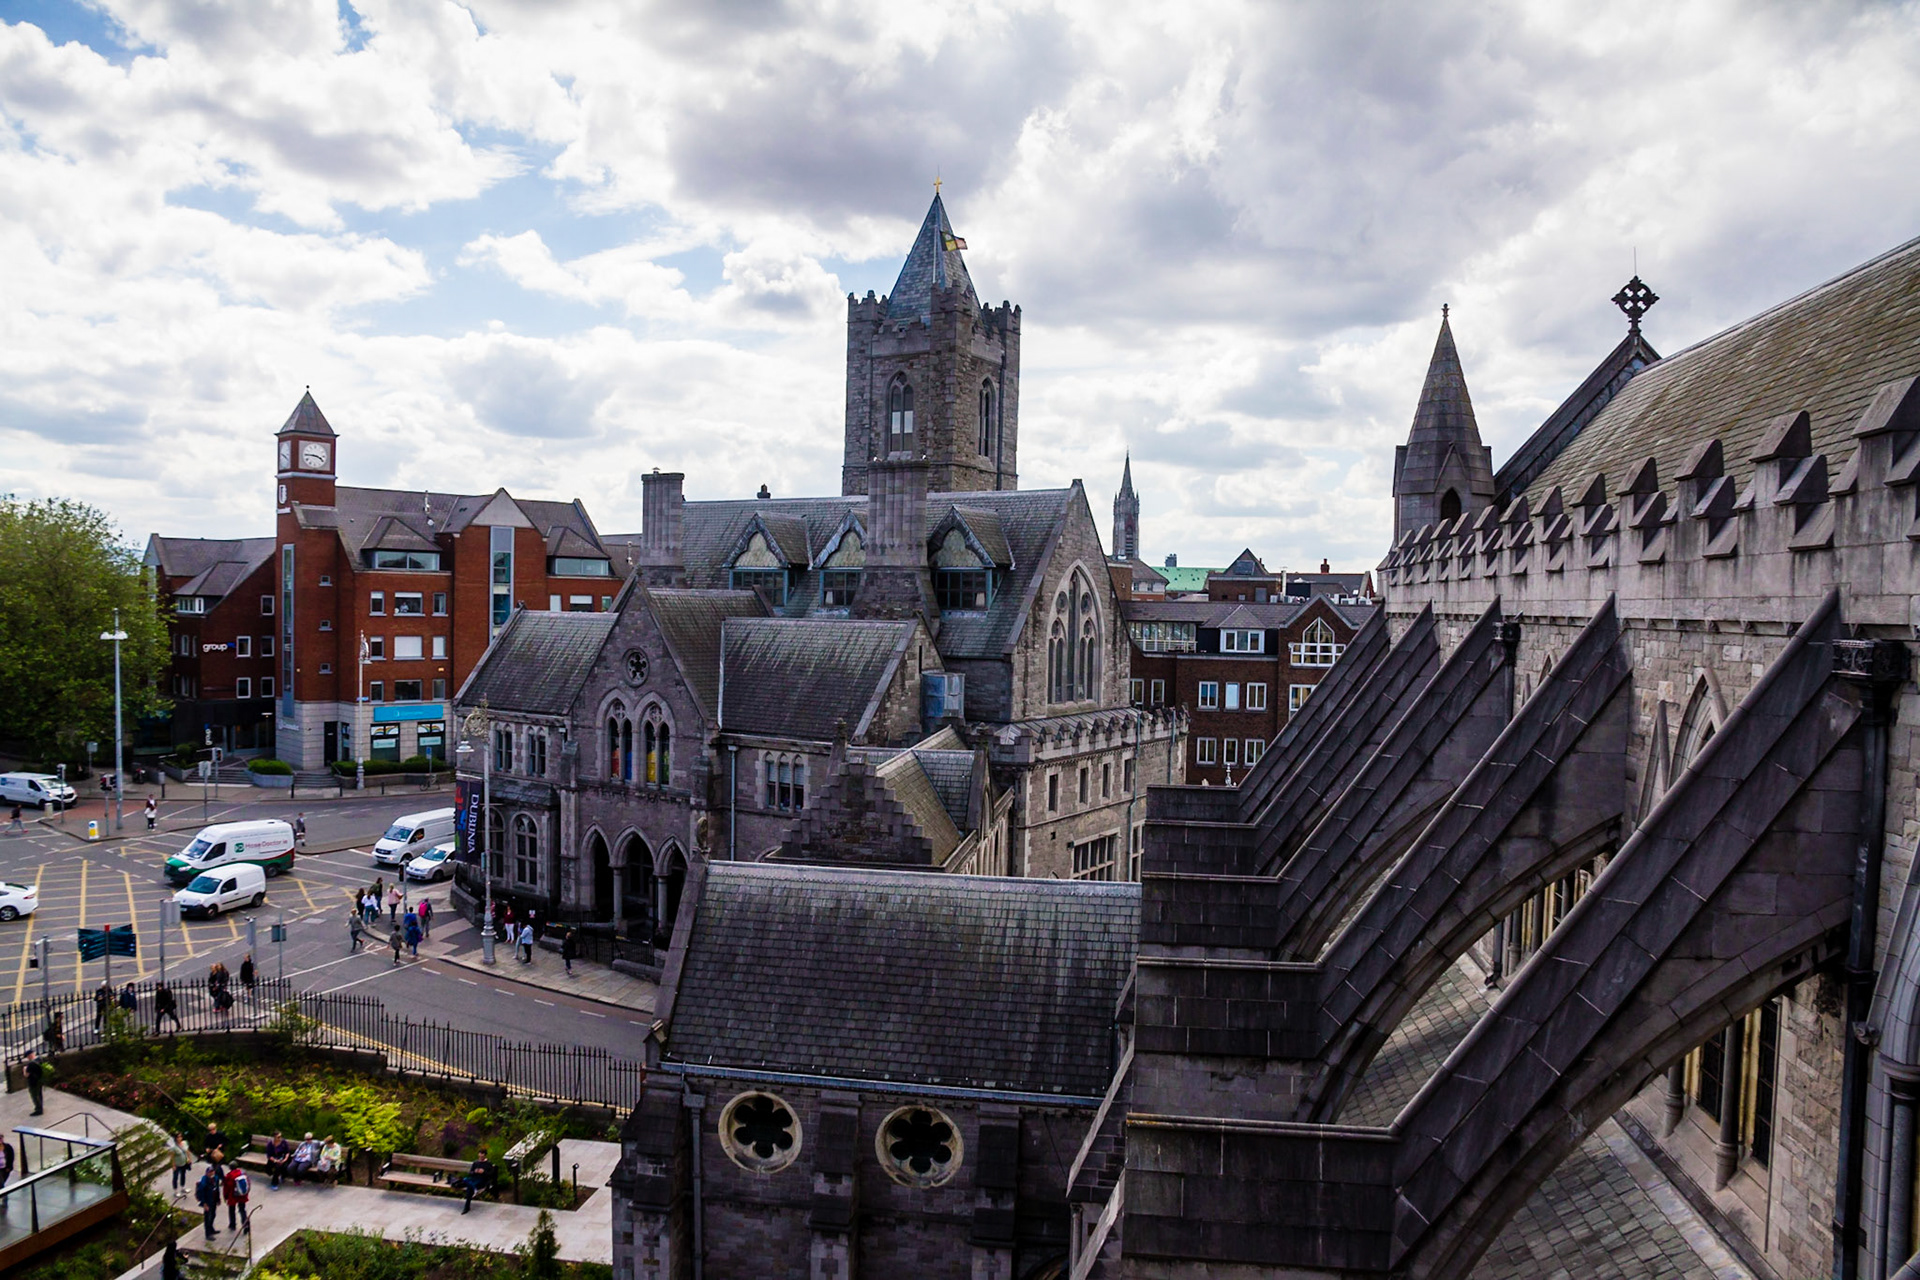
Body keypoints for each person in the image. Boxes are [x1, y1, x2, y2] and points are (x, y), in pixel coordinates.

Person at [194, 1163, 222, 1239]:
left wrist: (218, 1198)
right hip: (207, 1201)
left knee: (213, 1215)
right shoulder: (204, 1181)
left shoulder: (215, 1178)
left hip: (214, 1200)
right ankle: (208, 1234)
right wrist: (204, 1204)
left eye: (213, 1171)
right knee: (207, 1217)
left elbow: (217, 1189)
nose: (212, 1173)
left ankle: (211, 1228)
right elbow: (202, 1193)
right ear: (207, 1173)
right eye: (210, 1172)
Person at [222, 1163, 250, 1232]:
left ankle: (232, 1225)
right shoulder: (243, 1173)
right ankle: (245, 1224)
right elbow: (248, 1184)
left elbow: (226, 1188)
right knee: (242, 1210)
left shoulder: (229, 1176)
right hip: (242, 1195)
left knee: (231, 1210)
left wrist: (225, 1197)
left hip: (232, 1196)